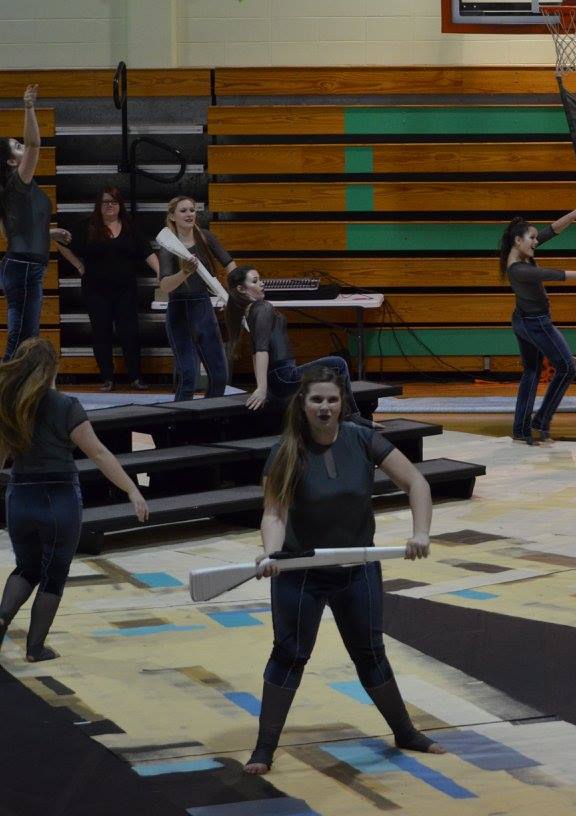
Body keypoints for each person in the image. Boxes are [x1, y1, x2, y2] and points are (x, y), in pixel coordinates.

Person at [242, 366, 444, 775]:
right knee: (288, 655)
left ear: (342, 404)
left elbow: (417, 484)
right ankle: (263, 749)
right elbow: (274, 513)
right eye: (316, 399)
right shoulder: (285, 451)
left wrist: (421, 532)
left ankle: (405, 732)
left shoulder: (363, 438)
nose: (325, 407)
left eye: (332, 400)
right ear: (303, 404)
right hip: (301, 572)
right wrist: (271, 554)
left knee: (370, 653)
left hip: (357, 569)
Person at [0, 338, 148, 661]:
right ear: (53, 367)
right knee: (53, 575)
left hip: (19, 497)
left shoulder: (10, 406)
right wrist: (131, 489)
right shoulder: (66, 407)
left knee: (26, 568)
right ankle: (35, 649)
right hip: (58, 499)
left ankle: (1, 619)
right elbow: (98, 453)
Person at [224, 266, 378, 428]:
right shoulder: (262, 307)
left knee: (333, 367)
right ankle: (352, 418)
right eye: (255, 281)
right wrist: (262, 389)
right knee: (338, 364)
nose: (262, 283)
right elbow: (260, 350)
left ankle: (348, 418)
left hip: (279, 377)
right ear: (241, 289)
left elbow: (257, 351)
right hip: (283, 377)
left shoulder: (252, 310)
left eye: (260, 279)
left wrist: (263, 386)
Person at [500, 201, 576, 445]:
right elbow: (561, 275)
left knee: (532, 371)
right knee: (567, 367)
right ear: (518, 240)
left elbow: (553, 229)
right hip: (536, 324)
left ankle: (521, 431)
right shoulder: (519, 270)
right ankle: (540, 421)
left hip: (522, 320)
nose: (536, 241)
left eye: (536, 238)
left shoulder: (521, 252)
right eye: (532, 238)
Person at [58, 187, 156, 391]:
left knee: (130, 333)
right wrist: (79, 265)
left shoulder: (130, 227)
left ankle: (135, 377)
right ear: (98, 205)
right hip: (95, 291)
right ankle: (107, 378)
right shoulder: (87, 226)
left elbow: (148, 252)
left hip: (126, 291)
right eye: (105, 202)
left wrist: (161, 273)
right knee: (101, 333)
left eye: (114, 201)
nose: (109, 205)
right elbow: (61, 242)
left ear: (120, 205)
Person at [1, 84, 71, 361]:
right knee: (21, 340)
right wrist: (29, 107)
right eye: (16, 147)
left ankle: (17, 385)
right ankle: (7, 386)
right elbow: (34, 144)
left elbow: (11, 231)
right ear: (10, 161)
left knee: (25, 338)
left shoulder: (19, 189)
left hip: (26, 266)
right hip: (24, 268)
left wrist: (48, 233)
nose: (23, 147)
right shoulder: (17, 183)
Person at [157, 196, 235, 401]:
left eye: (192, 210)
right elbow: (165, 285)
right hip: (179, 311)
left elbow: (230, 264)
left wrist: (233, 292)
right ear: (172, 216)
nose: (189, 214)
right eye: (183, 211)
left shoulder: (205, 237)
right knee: (189, 377)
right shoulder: (168, 245)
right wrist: (184, 272)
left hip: (203, 308)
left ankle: (209, 415)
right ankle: (181, 419)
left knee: (219, 376)